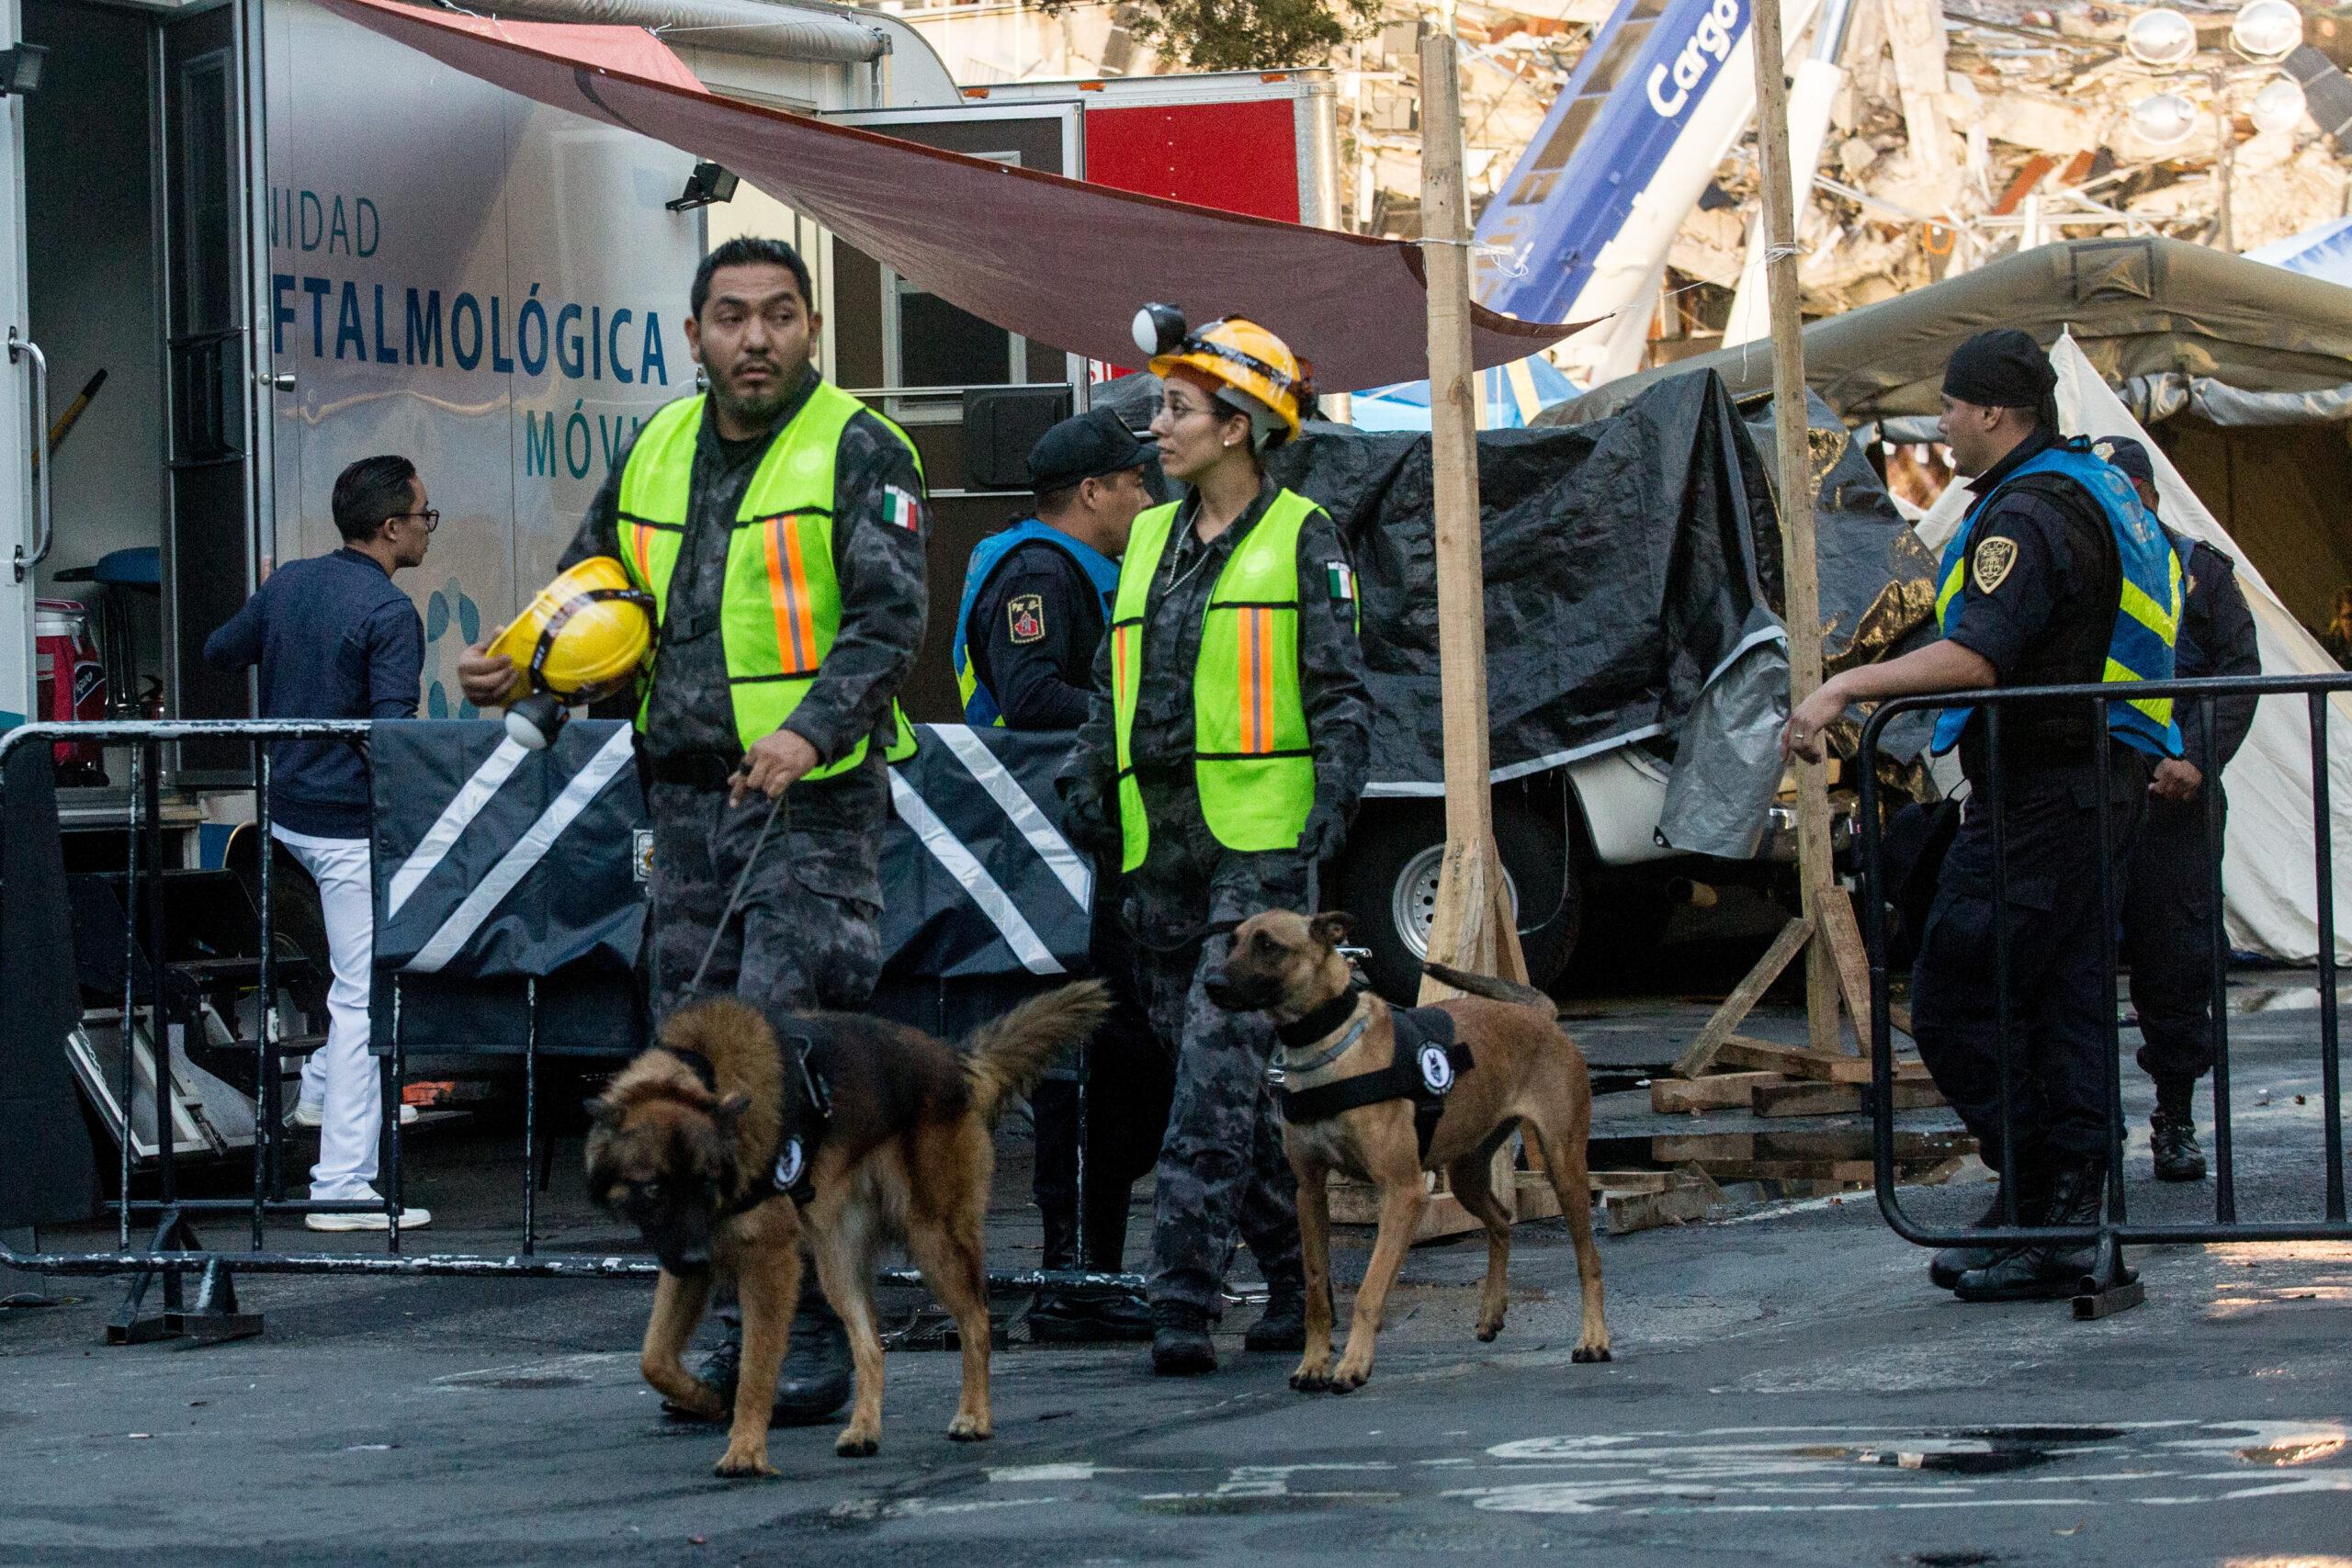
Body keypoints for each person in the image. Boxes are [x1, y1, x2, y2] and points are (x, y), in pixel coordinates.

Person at [458, 236, 926, 1424]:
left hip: (808, 809)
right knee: (696, 1080)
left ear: (813, 328)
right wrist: (521, 674)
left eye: (778, 314)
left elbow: (887, 620)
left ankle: (815, 1327)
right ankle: (740, 1322)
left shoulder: (861, 446)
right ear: (696, 332)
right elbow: (592, 608)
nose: (755, 337)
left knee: (777, 1066)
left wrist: (811, 732)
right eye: (730, 316)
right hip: (681, 805)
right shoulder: (657, 447)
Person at [1786, 329, 2181, 1303]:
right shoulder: (2095, 489)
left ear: (1997, 413)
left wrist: (1849, 689)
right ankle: (2060, 1217)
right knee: (2061, 1001)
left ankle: (2042, 1197)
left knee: (1962, 994)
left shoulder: (2029, 513)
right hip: (2096, 778)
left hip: (2048, 787)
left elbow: (1981, 655)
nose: (1942, 424)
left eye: (1953, 408)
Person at [1065, 310, 1371, 1373]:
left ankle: (1181, 1301)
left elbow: (1340, 694)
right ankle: (1294, 1279)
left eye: (1177, 409)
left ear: (1237, 427)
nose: (1156, 427)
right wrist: (1083, 781)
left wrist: (1334, 799)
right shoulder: (1148, 537)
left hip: (1259, 849)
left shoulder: (1305, 538)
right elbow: (1113, 682)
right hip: (1158, 850)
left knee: (1206, 1076)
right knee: (1221, 1082)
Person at [953, 406, 1169, 1343]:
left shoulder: (1084, 569)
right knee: (1090, 1061)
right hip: (1053, 854)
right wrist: (1147, 713)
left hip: (1092, 846)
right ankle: (1073, 1276)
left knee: (1123, 1061)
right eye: (1134, 483)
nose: (1146, 497)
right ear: (1092, 494)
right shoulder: (1036, 574)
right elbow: (1033, 695)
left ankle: (1091, 1272)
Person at [203, 455, 435, 1232]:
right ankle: (341, 1184)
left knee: (348, 979)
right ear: (391, 526)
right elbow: (390, 739)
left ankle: (317, 1095)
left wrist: (274, 605)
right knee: (363, 995)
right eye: (423, 517)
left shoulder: (291, 583)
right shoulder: (392, 616)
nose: (426, 529)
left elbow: (217, 653)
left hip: (283, 816)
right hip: (344, 828)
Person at [2097, 436, 2260, 1182]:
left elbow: (2237, 672)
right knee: (2071, 963)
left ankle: (2175, 1116)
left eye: (2129, 495)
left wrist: (2196, 757)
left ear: (2152, 496)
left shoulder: (2202, 573)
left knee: (2176, 962)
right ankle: (2086, 1127)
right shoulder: (2080, 564)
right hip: (2092, 792)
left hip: (2176, 800)